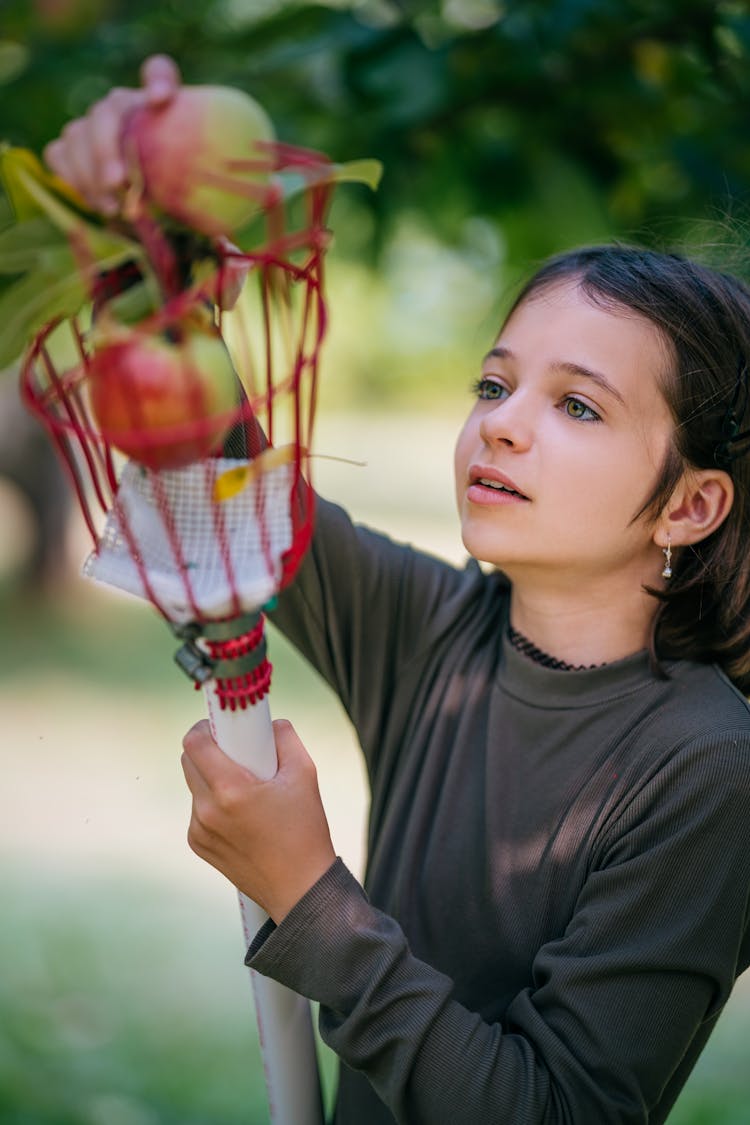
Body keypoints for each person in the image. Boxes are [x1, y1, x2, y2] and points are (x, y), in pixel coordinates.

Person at [44, 59, 750, 1124]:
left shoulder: (709, 769)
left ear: (690, 506)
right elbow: (217, 460)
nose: (503, 423)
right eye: (495, 384)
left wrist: (310, 901)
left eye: (581, 408)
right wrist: (145, 242)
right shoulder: (436, 633)